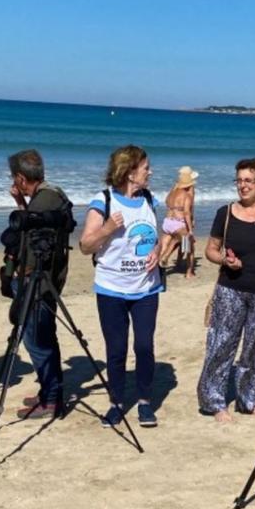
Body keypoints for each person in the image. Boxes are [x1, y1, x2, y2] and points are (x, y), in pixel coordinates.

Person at [196, 157, 255, 423]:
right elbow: (210, 251)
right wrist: (224, 260)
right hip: (231, 289)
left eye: (248, 180)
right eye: (239, 180)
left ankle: (247, 400)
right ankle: (215, 402)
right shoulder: (225, 213)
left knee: (253, 348)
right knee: (221, 344)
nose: (242, 185)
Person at [78, 145, 163, 428]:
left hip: (146, 288)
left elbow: (155, 236)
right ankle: (116, 403)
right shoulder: (102, 201)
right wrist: (106, 229)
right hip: (111, 288)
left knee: (144, 346)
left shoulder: (149, 199)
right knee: (116, 350)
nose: (149, 172)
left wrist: (157, 252)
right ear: (129, 171)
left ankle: (144, 402)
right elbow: (84, 245)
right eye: (145, 167)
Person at [6, 149, 73, 419]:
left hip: (38, 284)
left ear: (21, 177)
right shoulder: (52, 195)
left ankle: (51, 400)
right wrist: (23, 204)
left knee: (37, 342)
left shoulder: (43, 202)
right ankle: (50, 392)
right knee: (46, 338)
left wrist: (19, 274)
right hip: (49, 281)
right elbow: (40, 233)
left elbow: (32, 248)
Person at [158, 166, 199, 278]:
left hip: (167, 222)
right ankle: (189, 272)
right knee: (189, 247)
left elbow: (167, 202)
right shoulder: (188, 194)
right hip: (179, 224)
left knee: (164, 247)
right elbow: (187, 212)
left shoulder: (173, 191)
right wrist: (190, 229)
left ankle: (158, 271)